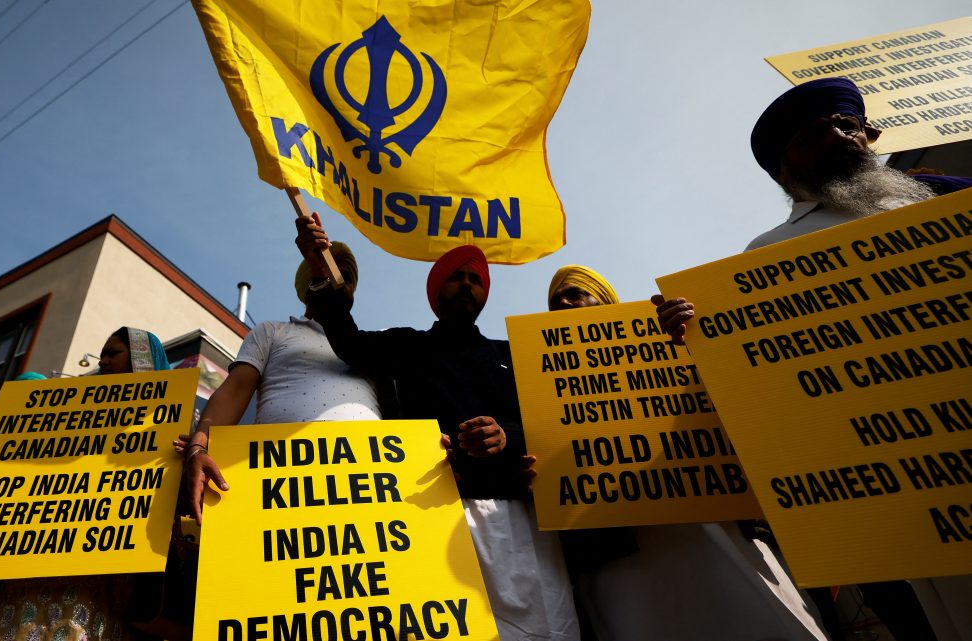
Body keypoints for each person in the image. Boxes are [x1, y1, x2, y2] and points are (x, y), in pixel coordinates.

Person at [654, 77, 971, 641]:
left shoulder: (946, 197)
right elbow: (768, 387)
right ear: (785, 169)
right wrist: (701, 340)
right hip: (886, 494)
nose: (840, 138)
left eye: (848, 126)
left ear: (871, 134)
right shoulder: (765, 256)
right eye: (815, 133)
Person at [298, 215, 580, 641]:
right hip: (435, 512)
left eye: (476, 279)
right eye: (456, 277)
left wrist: (507, 435)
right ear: (436, 290)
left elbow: (553, 418)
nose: (467, 285)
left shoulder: (516, 354)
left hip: (522, 518)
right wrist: (321, 273)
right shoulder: (407, 345)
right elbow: (349, 341)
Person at [544, 265, 829, 641]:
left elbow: (743, 403)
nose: (563, 302)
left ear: (606, 301)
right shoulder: (540, 383)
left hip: (710, 528)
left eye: (575, 293)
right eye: (555, 299)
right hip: (620, 556)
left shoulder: (668, 338)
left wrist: (695, 342)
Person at [0, 327, 169, 641]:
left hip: (107, 558)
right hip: (35, 551)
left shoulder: (167, 420)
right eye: (103, 354)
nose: (103, 361)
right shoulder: (68, 411)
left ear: (140, 359)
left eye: (112, 353)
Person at [179, 239, 380, 522]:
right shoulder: (273, 332)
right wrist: (198, 447)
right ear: (310, 280)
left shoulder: (371, 348)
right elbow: (233, 392)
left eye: (346, 277)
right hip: (281, 484)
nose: (339, 282)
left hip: (367, 486)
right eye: (330, 271)